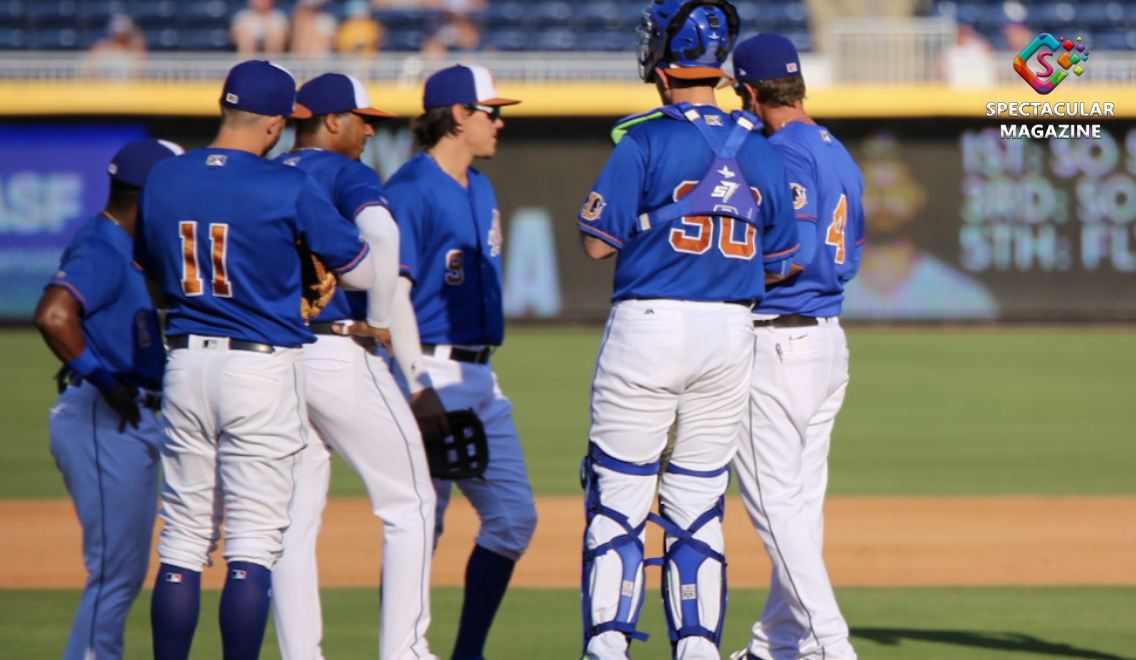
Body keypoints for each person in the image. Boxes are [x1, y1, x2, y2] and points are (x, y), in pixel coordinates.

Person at [575, 2, 799, 659]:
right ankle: (698, 648)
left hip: (649, 323)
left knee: (618, 499)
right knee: (698, 504)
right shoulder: (758, 148)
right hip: (731, 330)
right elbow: (782, 262)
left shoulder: (642, 138)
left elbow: (595, 242)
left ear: (665, 58)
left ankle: (609, 647)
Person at [137, 60, 375, 660]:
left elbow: (155, 275)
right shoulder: (287, 184)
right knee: (251, 543)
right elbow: (364, 268)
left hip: (187, 359)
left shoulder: (164, 177)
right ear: (276, 124)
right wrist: (307, 273)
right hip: (259, 364)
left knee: (184, 540)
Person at [269, 72, 440, 660]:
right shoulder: (345, 172)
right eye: (362, 118)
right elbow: (382, 235)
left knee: (292, 522)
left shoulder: (269, 173)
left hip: (277, 356)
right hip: (338, 349)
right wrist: (381, 315)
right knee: (410, 502)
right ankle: (405, 651)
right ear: (330, 120)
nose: (370, 129)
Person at [384, 63, 538, 660]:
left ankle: (466, 652)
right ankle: (403, 649)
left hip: (479, 374)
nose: (500, 121)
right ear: (457, 116)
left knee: (514, 518)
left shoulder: (483, 185)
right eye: (490, 111)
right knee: (420, 525)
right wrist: (416, 385)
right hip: (425, 368)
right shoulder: (409, 190)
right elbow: (394, 296)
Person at [728, 33, 865, 660]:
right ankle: (775, 646)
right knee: (801, 508)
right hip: (828, 340)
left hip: (779, 341)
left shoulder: (782, 152)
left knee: (777, 506)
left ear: (750, 91)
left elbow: (794, 254)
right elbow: (848, 257)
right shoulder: (839, 152)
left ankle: (831, 647)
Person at [33, 138, 182, 660]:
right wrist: (103, 379)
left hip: (131, 415)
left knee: (124, 572)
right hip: (102, 417)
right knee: (115, 574)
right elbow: (54, 314)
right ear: (149, 195)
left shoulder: (132, 246)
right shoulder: (102, 244)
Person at [84, 13, 146, 80]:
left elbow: (139, 71)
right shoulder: (101, 47)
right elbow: (90, 70)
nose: (119, 35)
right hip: (103, 87)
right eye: (117, 31)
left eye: (122, 32)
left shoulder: (134, 50)